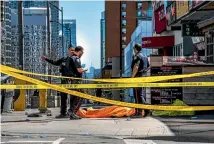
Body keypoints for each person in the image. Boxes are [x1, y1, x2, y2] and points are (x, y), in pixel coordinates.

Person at [42, 46, 75, 118]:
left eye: (73, 50)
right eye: (71, 50)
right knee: (63, 97)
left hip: (72, 80)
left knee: (73, 97)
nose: (72, 51)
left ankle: (72, 113)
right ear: (68, 51)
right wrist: (46, 59)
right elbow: (55, 62)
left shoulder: (75, 59)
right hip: (64, 80)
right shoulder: (64, 59)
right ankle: (63, 113)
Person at [68, 46, 88, 120]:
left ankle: (71, 111)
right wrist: (85, 69)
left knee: (74, 97)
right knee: (81, 95)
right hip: (76, 81)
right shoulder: (76, 58)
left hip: (71, 80)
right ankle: (73, 113)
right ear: (80, 51)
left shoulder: (70, 58)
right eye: (82, 53)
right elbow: (79, 70)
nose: (82, 54)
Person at [131, 44, 150, 118]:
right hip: (143, 77)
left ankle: (138, 112)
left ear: (136, 49)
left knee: (137, 95)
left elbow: (136, 67)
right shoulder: (145, 56)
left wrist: (132, 77)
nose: (133, 50)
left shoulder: (137, 56)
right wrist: (143, 72)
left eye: (134, 49)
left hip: (137, 77)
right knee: (140, 94)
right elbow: (148, 66)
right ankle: (146, 109)